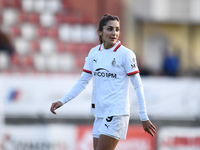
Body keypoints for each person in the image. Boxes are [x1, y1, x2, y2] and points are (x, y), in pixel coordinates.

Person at [50, 14, 156, 150]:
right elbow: (83, 81)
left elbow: (138, 85)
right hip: (100, 113)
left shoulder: (126, 54)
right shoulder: (94, 53)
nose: (114, 33)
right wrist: (62, 101)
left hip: (117, 112)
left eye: (117, 29)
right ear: (100, 32)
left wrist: (144, 116)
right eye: (110, 29)